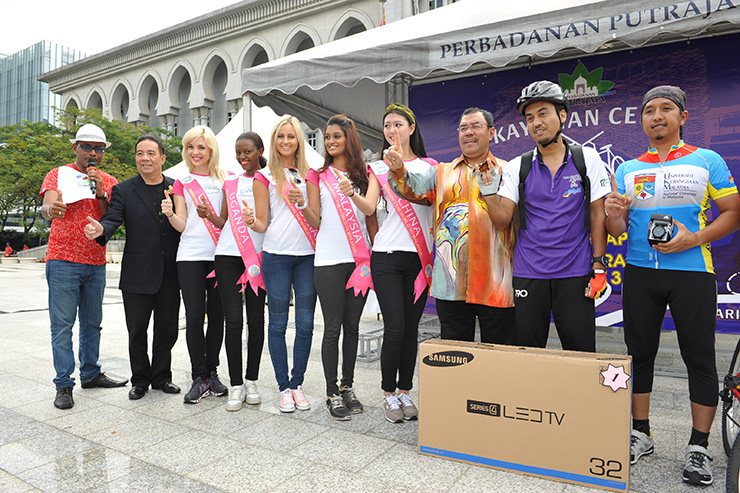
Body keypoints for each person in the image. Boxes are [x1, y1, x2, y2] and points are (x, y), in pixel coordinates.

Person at [605, 85, 740, 486]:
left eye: (666, 108)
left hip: (692, 272)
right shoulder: (628, 169)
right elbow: (616, 230)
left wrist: (694, 238)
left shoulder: (706, 160)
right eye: (649, 110)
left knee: (698, 358)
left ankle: (699, 446)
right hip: (640, 272)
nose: (657, 116)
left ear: (682, 117)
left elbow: (732, 212)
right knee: (638, 355)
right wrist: (614, 213)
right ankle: (641, 433)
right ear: (642, 121)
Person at [484, 81, 610, 352]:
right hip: (529, 273)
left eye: (543, 114)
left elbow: (598, 214)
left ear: (562, 115)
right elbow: (503, 220)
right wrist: (488, 194)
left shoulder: (587, 158)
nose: (536, 123)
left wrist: (599, 265)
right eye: (530, 118)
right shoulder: (518, 166)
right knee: (527, 354)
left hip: (576, 272)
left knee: (580, 354)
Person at [388, 107, 516, 344]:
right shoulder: (441, 172)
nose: (468, 132)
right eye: (463, 128)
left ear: (491, 133)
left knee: (498, 355)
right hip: (451, 284)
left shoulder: (509, 172)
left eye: (475, 126)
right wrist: (398, 169)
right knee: (454, 355)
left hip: (495, 281)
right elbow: (411, 187)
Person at [292, 114, 379, 420]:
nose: (330, 141)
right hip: (328, 260)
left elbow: (371, 220)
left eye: (336, 136)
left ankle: (347, 386)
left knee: (353, 326)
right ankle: (331, 392)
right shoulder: (317, 176)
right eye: (327, 137)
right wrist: (302, 205)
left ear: (348, 139)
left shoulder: (364, 176)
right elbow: (315, 220)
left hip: (358, 262)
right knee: (332, 328)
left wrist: (377, 255)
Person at [84, 135, 181, 400]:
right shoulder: (124, 190)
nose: (145, 158)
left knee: (167, 329)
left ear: (162, 158)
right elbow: (113, 217)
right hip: (137, 272)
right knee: (137, 331)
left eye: (151, 153)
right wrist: (101, 229)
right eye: (140, 153)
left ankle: (162, 377)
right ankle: (140, 380)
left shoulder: (176, 188)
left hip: (170, 273)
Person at [39, 123, 127, 410]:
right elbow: (48, 206)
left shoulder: (109, 181)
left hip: (95, 261)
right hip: (63, 259)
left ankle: (90, 373)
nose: (93, 153)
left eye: (98, 149)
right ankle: (64, 384)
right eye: (87, 147)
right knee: (62, 326)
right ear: (75, 147)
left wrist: (100, 191)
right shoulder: (58, 174)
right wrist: (52, 210)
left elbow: (110, 217)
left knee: (92, 323)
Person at [243, 115, 317, 413]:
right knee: (277, 324)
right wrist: (251, 221)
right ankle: (283, 387)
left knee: (306, 324)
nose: (286, 141)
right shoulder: (264, 177)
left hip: (307, 256)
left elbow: (317, 221)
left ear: (299, 140)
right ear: (274, 141)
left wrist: (303, 203)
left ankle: (297, 383)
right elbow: (262, 224)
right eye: (280, 136)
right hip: (275, 256)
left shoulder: (311, 174)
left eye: (291, 136)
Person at [370, 104, 435, 423]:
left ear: (411, 128)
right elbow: (369, 207)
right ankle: (388, 394)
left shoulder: (431, 167)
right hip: (386, 256)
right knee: (394, 327)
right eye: (387, 126)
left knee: (411, 329)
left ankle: (405, 390)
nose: (391, 130)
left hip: (420, 259)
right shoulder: (377, 168)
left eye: (398, 124)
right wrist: (351, 194)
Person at [162, 125, 227, 404]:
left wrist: (211, 215)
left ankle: (212, 372)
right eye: (190, 147)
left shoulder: (226, 179)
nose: (195, 152)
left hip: (220, 256)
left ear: (211, 149)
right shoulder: (182, 182)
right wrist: (169, 214)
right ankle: (198, 377)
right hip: (189, 256)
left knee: (218, 316)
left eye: (201, 147)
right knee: (195, 316)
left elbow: (227, 222)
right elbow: (182, 224)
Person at [205, 132, 267, 411]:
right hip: (228, 255)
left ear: (260, 151)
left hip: (257, 257)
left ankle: (252, 381)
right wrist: (208, 214)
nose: (242, 157)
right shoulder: (229, 182)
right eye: (238, 152)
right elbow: (223, 221)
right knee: (233, 321)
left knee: (256, 320)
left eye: (248, 152)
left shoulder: (268, 180)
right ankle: (236, 385)